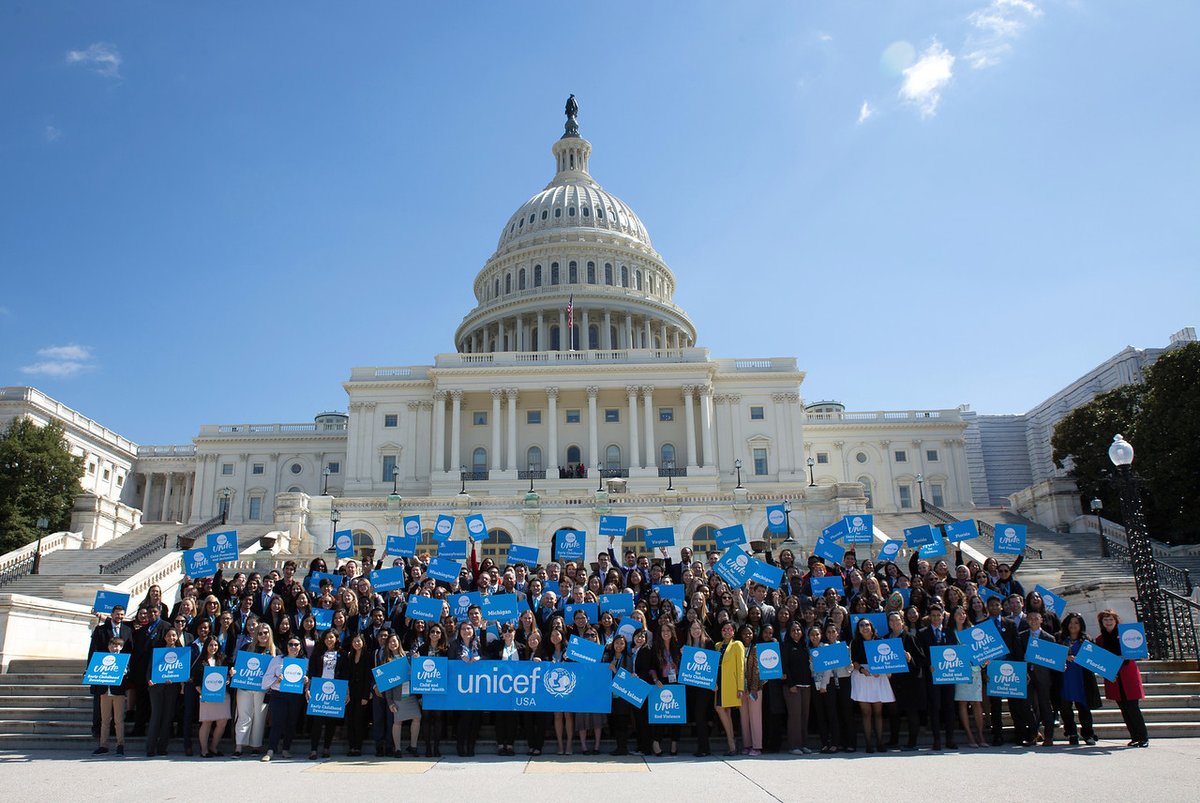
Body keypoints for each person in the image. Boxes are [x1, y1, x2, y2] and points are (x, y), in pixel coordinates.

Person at [1096, 609, 1149, 747]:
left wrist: (1142, 654)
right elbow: (1099, 660)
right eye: (1105, 620)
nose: (1108, 622)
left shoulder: (1125, 635)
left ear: (1116, 621)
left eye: (1111, 620)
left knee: (1133, 707)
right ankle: (1134, 736)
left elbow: (1136, 651)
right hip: (1113, 675)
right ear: (1102, 623)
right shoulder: (1100, 639)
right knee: (1124, 708)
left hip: (1127, 673)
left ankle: (1143, 737)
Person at [849, 617, 894, 753]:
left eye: (867, 625)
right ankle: (868, 743)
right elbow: (854, 661)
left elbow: (887, 660)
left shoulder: (880, 642)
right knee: (866, 713)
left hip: (878, 677)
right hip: (862, 677)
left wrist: (880, 671)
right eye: (861, 625)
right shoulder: (855, 642)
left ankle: (880, 742)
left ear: (871, 627)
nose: (864, 627)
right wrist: (863, 670)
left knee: (878, 712)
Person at [916, 603, 957, 750]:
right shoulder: (922, 633)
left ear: (943, 616)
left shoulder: (950, 632)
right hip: (932, 676)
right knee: (935, 707)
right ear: (929, 617)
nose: (936, 618)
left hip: (948, 676)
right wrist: (928, 665)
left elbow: (956, 652)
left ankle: (950, 739)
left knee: (949, 707)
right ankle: (937, 739)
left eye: (938, 615)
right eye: (933, 616)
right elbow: (920, 654)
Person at [260, 636, 307, 761]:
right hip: (278, 694)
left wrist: (307, 681)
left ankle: (286, 749)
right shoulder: (277, 660)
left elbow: (310, 681)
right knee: (276, 723)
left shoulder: (305, 661)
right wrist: (277, 679)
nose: (293, 647)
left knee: (291, 723)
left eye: (296, 644)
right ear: (286, 646)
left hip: (296, 696)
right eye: (290, 644)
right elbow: (265, 681)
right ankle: (270, 750)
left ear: (300, 646)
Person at [1058, 612, 1101, 746]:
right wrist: (1064, 658)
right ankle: (1071, 732)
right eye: (1071, 622)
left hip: (1081, 678)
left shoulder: (1087, 640)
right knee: (1065, 708)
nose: (1073, 625)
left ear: (1081, 625)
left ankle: (1088, 733)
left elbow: (1094, 659)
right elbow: (1052, 656)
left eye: (1076, 623)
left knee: (1083, 708)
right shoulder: (1059, 638)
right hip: (1065, 677)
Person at [232, 623, 275, 757]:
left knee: (259, 717)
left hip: (263, 689)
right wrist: (233, 671)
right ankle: (239, 746)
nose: (263, 635)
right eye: (260, 633)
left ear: (270, 634)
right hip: (244, 687)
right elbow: (237, 666)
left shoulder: (274, 651)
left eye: (266, 632)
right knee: (244, 715)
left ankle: (255, 746)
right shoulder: (247, 648)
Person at [1018, 610, 1057, 746]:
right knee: (1026, 705)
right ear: (1027, 621)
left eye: (1036, 618)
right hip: (1027, 675)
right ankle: (1034, 733)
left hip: (1043, 676)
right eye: (1030, 619)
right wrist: (1024, 671)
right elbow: (1019, 655)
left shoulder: (1049, 638)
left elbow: (1052, 659)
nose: (1033, 621)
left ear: (1041, 620)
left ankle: (1049, 736)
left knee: (1045, 705)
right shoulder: (1021, 637)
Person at [145, 626, 183, 757]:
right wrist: (149, 680)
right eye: (169, 635)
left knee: (167, 718)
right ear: (165, 637)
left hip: (172, 688)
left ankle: (162, 747)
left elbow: (181, 672)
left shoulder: (181, 653)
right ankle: (150, 748)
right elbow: (150, 667)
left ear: (177, 637)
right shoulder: (158, 652)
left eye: (174, 635)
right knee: (156, 716)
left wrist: (175, 679)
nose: (171, 638)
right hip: (156, 688)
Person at [948, 606, 983, 748]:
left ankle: (980, 735)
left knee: (976, 703)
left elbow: (982, 649)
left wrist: (984, 660)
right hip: (959, 672)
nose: (961, 615)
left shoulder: (973, 630)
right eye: (958, 613)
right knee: (962, 703)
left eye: (963, 613)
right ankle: (969, 735)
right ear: (953, 616)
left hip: (974, 670)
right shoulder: (950, 633)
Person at [382, 633, 422, 758]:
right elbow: (388, 684)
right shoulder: (386, 661)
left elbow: (418, 670)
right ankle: (398, 749)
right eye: (390, 642)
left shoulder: (408, 656)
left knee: (417, 717)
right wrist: (389, 701)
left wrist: (418, 659)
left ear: (399, 642)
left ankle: (413, 746)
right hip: (397, 696)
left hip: (411, 695)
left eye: (394, 641)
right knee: (398, 721)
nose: (393, 644)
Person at [306, 629, 344, 759]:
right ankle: (313, 749)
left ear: (336, 639)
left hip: (335, 690)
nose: (329, 640)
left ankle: (327, 748)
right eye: (326, 638)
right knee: (317, 722)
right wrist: (308, 688)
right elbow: (311, 672)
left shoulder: (342, 654)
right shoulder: (318, 653)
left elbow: (345, 673)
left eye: (331, 637)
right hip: (318, 690)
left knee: (331, 722)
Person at [192, 636, 231, 757]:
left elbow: (229, 674)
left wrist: (228, 679)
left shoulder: (223, 659)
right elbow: (196, 682)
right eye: (210, 645)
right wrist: (203, 694)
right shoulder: (200, 661)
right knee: (207, 722)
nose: (213, 648)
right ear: (206, 646)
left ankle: (214, 747)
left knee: (222, 722)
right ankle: (204, 750)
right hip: (206, 695)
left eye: (215, 645)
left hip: (222, 695)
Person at [90, 636, 130, 756]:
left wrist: (125, 672)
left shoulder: (125, 659)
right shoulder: (102, 659)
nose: (115, 648)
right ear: (108, 647)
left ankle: (120, 745)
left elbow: (129, 671)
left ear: (121, 647)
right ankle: (103, 745)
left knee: (118, 720)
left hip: (118, 692)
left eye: (117, 645)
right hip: (104, 692)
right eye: (112, 645)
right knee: (105, 720)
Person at [683, 620, 715, 757]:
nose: (695, 631)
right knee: (697, 716)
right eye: (693, 629)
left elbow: (713, 665)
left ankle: (704, 748)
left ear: (702, 629)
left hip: (705, 686)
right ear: (689, 631)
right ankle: (703, 747)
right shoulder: (687, 645)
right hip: (691, 687)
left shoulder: (708, 643)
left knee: (700, 715)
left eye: (698, 628)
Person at [781, 620, 813, 754]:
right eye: (793, 630)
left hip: (806, 684)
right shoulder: (786, 646)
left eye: (798, 630)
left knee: (804, 715)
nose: (796, 632)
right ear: (789, 632)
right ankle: (794, 745)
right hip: (793, 686)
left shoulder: (804, 646)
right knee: (795, 715)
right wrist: (791, 684)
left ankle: (803, 744)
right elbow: (785, 667)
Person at [343, 633, 376, 756]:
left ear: (363, 642)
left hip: (362, 692)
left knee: (359, 720)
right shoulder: (349, 656)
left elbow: (368, 677)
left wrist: (365, 696)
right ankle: (351, 746)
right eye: (354, 641)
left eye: (359, 641)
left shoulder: (368, 657)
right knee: (350, 720)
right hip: (350, 692)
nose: (357, 643)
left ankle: (358, 747)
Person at [714, 620, 744, 756]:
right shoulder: (717, 645)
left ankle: (731, 742)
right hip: (719, 682)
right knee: (723, 710)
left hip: (730, 683)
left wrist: (740, 687)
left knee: (722, 709)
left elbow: (740, 667)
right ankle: (731, 742)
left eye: (729, 629)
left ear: (733, 631)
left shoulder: (737, 644)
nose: (726, 631)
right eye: (724, 629)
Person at [737, 624, 764, 756]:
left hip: (754, 688)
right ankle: (747, 745)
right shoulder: (738, 647)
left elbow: (757, 669)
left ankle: (757, 746)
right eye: (744, 633)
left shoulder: (755, 648)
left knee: (755, 717)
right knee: (744, 718)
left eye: (750, 633)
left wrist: (753, 688)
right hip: (741, 689)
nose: (747, 636)